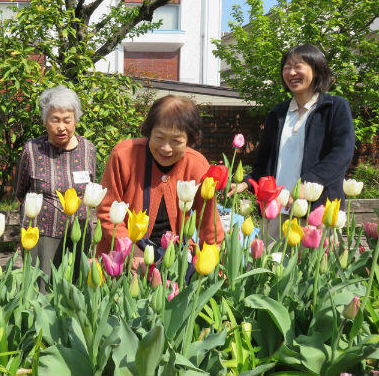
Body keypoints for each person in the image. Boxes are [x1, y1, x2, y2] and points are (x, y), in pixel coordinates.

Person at [230, 44, 355, 239]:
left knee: (313, 268)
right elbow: (264, 163)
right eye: (287, 67)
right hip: (276, 211)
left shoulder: (334, 107)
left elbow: (342, 153)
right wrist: (246, 182)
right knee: (270, 266)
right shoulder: (277, 114)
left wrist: (308, 185)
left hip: (317, 212)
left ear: (317, 69)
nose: (291, 72)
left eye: (299, 66)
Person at [96, 95, 224, 267]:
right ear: (149, 131)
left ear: (190, 140)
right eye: (159, 138)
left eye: (176, 141)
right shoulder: (124, 155)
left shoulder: (197, 165)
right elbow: (107, 211)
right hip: (124, 257)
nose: (166, 148)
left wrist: (215, 264)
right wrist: (132, 252)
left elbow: (209, 222)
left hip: (175, 257)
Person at [15, 86, 97, 285]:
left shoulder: (88, 149)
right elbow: (21, 190)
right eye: (55, 119)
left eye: (67, 120)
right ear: (45, 121)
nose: (62, 127)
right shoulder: (32, 149)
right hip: (41, 233)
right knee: (41, 288)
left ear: (75, 120)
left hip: (79, 232)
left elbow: (92, 188)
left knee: (76, 287)